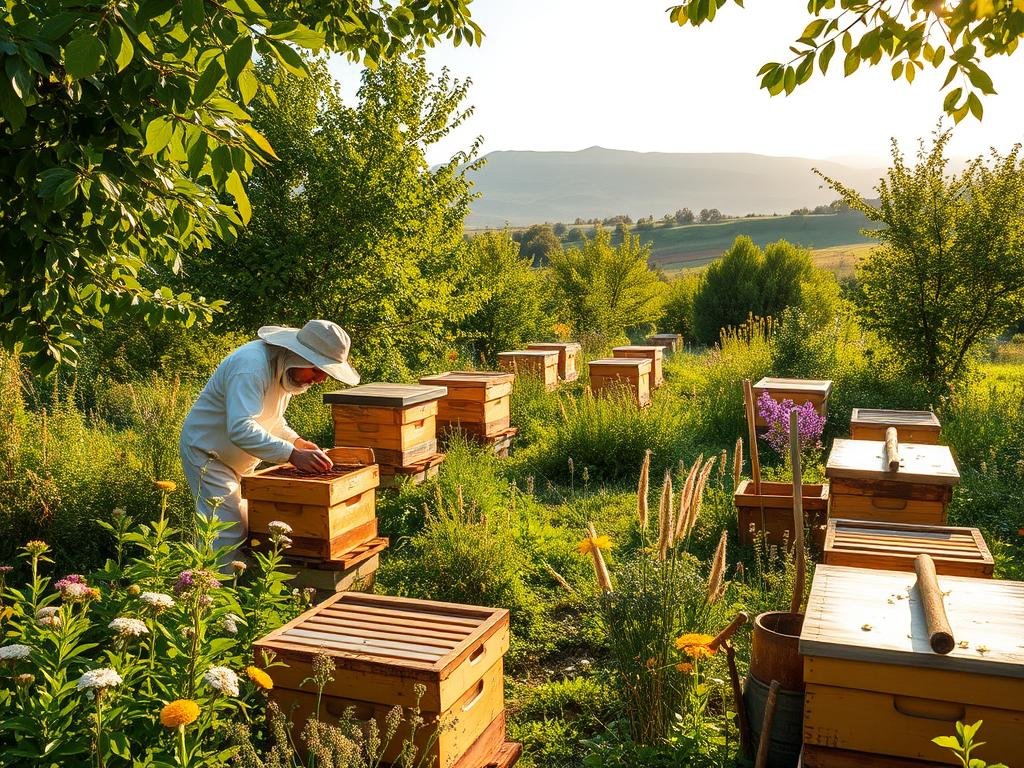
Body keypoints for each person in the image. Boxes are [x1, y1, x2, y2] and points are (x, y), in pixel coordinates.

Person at [179, 319, 360, 551]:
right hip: (208, 454)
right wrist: (292, 454)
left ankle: (225, 580)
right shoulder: (250, 367)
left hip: (239, 457)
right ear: (298, 355)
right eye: (316, 369)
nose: (320, 379)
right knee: (227, 530)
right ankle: (211, 585)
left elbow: (269, 419)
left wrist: (296, 442)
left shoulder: (285, 369)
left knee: (247, 524)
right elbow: (242, 427)